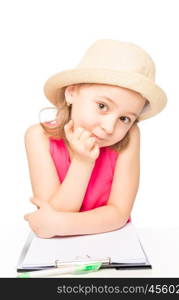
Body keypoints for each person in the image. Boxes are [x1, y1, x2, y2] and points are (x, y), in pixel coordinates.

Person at [24, 39, 167, 238]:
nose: (109, 128)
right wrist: (83, 162)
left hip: (111, 241)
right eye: (102, 106)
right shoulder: (38, 136)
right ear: (71, 92)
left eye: (124, 118)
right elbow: (53, 213)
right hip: (57, 249)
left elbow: (118, 213)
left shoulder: (130, 136)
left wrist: (57, 224)